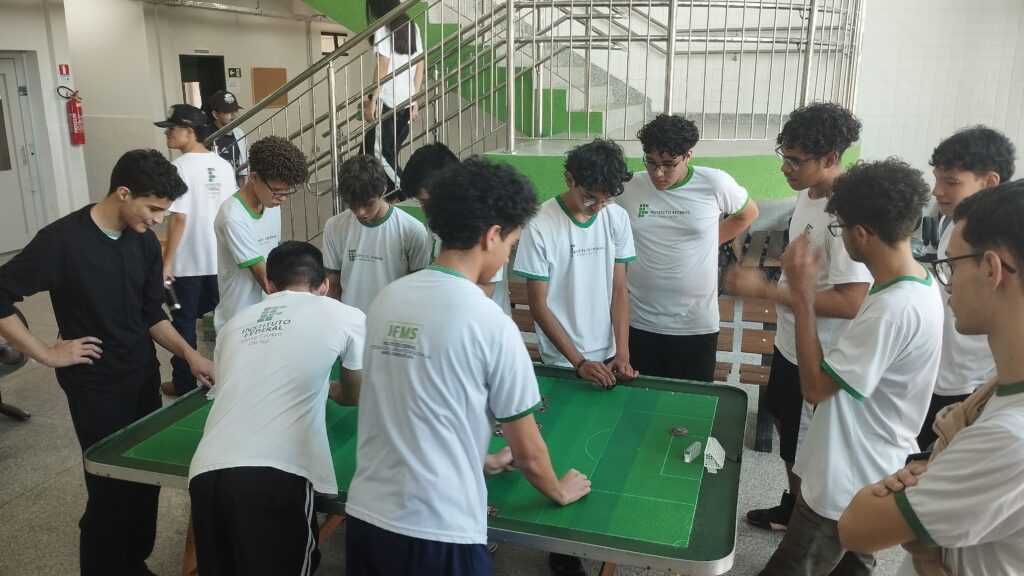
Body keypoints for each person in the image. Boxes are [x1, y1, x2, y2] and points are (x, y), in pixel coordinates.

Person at [344, 158, 591, 576]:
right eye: (511, 242)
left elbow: (406, 412)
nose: (508, 253)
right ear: (493, 235)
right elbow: (530, 454)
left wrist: (479, 460)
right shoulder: (491, 323)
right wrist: (559, 490)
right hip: (441, 533)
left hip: (367, 519)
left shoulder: (387, 300)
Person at [0, 149, 215, 576]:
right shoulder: (61, 241)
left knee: (143, 479)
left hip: (140, 373)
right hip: (94, 383)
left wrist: (189, 355)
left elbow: (150, 312)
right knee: (109, 488)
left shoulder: (143, 244)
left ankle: (131, 562)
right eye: (153, 208)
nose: (158, 219)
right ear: (122, 193)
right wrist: (45, 352)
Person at [758, 158, 941, 575]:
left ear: (860, 233)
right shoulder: (918, 282)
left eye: (839, 228)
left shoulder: (891, 310)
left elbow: (817, 388)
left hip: (848, 475)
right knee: (853, 565)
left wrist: (802, 295)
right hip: (872, 467)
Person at [838, 180, 1024, 576]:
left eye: (951, 265)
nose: (947, 283)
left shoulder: (1010, 439)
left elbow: (857, 527)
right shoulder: (998, 392)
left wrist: (917, 526)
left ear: (991, 269)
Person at [726, 102, 872, 531]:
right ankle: (792, 505)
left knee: (807, 444)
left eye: (796, 160)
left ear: (831, 158)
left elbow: (851, 301)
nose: (786, 167)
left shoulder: (845, 215)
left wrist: (768, 290)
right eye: (783, 155)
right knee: (786, 427)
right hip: (791, 341)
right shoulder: (809, 194)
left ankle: (809, 522)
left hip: (822, 353)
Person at [189, 240, 365, 576]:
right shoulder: (346, 315)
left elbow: (240, 383)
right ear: (325, 285)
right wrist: (332, 389)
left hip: (205, 473)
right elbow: (354, 394)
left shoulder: (233, 326)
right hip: (274, 474)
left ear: (269, 285)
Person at [511, 138, 636, 576]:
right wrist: (578, 360)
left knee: (603, 444)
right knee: (564, 449)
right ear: (569, 179)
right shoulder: (541, 224)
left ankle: (602, 529)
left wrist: (621, 352)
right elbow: (538, 305)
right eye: (590, 196)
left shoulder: (615, 217)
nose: (597, 207)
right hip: (563, 360)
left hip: (605, 353)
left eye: (605, 199)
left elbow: (620, 289)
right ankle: (562, 549)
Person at [617, 114, 758, 381]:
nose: (658, 173)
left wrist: (709, 241)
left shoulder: (714, 183)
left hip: (695, 325)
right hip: (640, 321)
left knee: (688, 408)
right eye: (651, 162)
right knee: (639, 403)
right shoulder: (629, 187)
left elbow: (748, 214)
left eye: (669, 165)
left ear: (688, 156)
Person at [916, 126, 1015, 449]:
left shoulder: (998, 240)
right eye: (937, 178)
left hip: (967, 378)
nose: (937, 191)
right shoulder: (952, 224)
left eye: (951, 181)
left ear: (989, 182)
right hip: (938, 367)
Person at [156, 104, 238, 397]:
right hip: (221, 260)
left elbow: (179, 218)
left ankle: (184, 383)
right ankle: (229, 376)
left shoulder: (178, 168)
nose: (167, 133)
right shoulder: (223, 165)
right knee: (225, 320)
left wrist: (166, 264)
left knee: (183, 324)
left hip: (188, 263)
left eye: (172, 128)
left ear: (189, 132)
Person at [213, 135, 308, 332]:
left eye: (286, 192)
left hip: (269, 312)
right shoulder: (233, 217)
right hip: (240, 320)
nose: (281, 199)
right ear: (254, 178)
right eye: (277, 191)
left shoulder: (271, 204)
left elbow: (275, 258)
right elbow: (265, 280)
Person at [401, 142, 509, 311]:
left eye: (424, 201)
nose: (425, 208)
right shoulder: (439, 218)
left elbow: (484, 290)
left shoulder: (482, 221)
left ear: (446, 185)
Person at [322, 154, 430, 313]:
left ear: (383, 190)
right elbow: (333, 286)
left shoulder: (412, 230)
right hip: (351, 325)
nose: (360, 212)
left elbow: (418, 292)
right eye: (352, 204)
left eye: (368, 204)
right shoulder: (334, 226)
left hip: (392, 325)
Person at [363, 0, 425, 189]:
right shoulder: (412, 25)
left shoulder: (383, 26)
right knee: (371, 151)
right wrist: (414, 100)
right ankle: (385, 195)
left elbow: (383, 65)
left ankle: (408, 193)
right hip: (405, 103)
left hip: (388, 102)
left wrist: (373, 99)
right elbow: (419, 64)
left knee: (381, 156)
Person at [205, 90, 248, 186]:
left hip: (234, 190)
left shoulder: (239, 133)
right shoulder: (206, 136)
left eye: (236, 110)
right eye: (228, 111)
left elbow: (242, 172)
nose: (234, 114)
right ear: (216, 114)